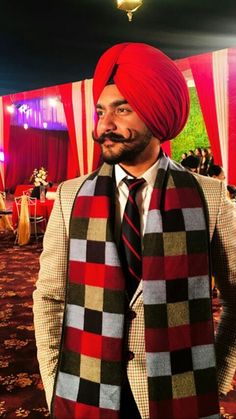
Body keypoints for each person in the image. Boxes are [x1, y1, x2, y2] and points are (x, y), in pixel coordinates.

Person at [33, 43, 236, 419]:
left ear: (158, 117)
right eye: (101, 111)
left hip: (180, 390)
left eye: (122, 109)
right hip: (86, 388)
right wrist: (54, 381)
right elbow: (49, 298)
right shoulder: (70, 196)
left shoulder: (208, 196)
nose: (104, 125)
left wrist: (215, 376)